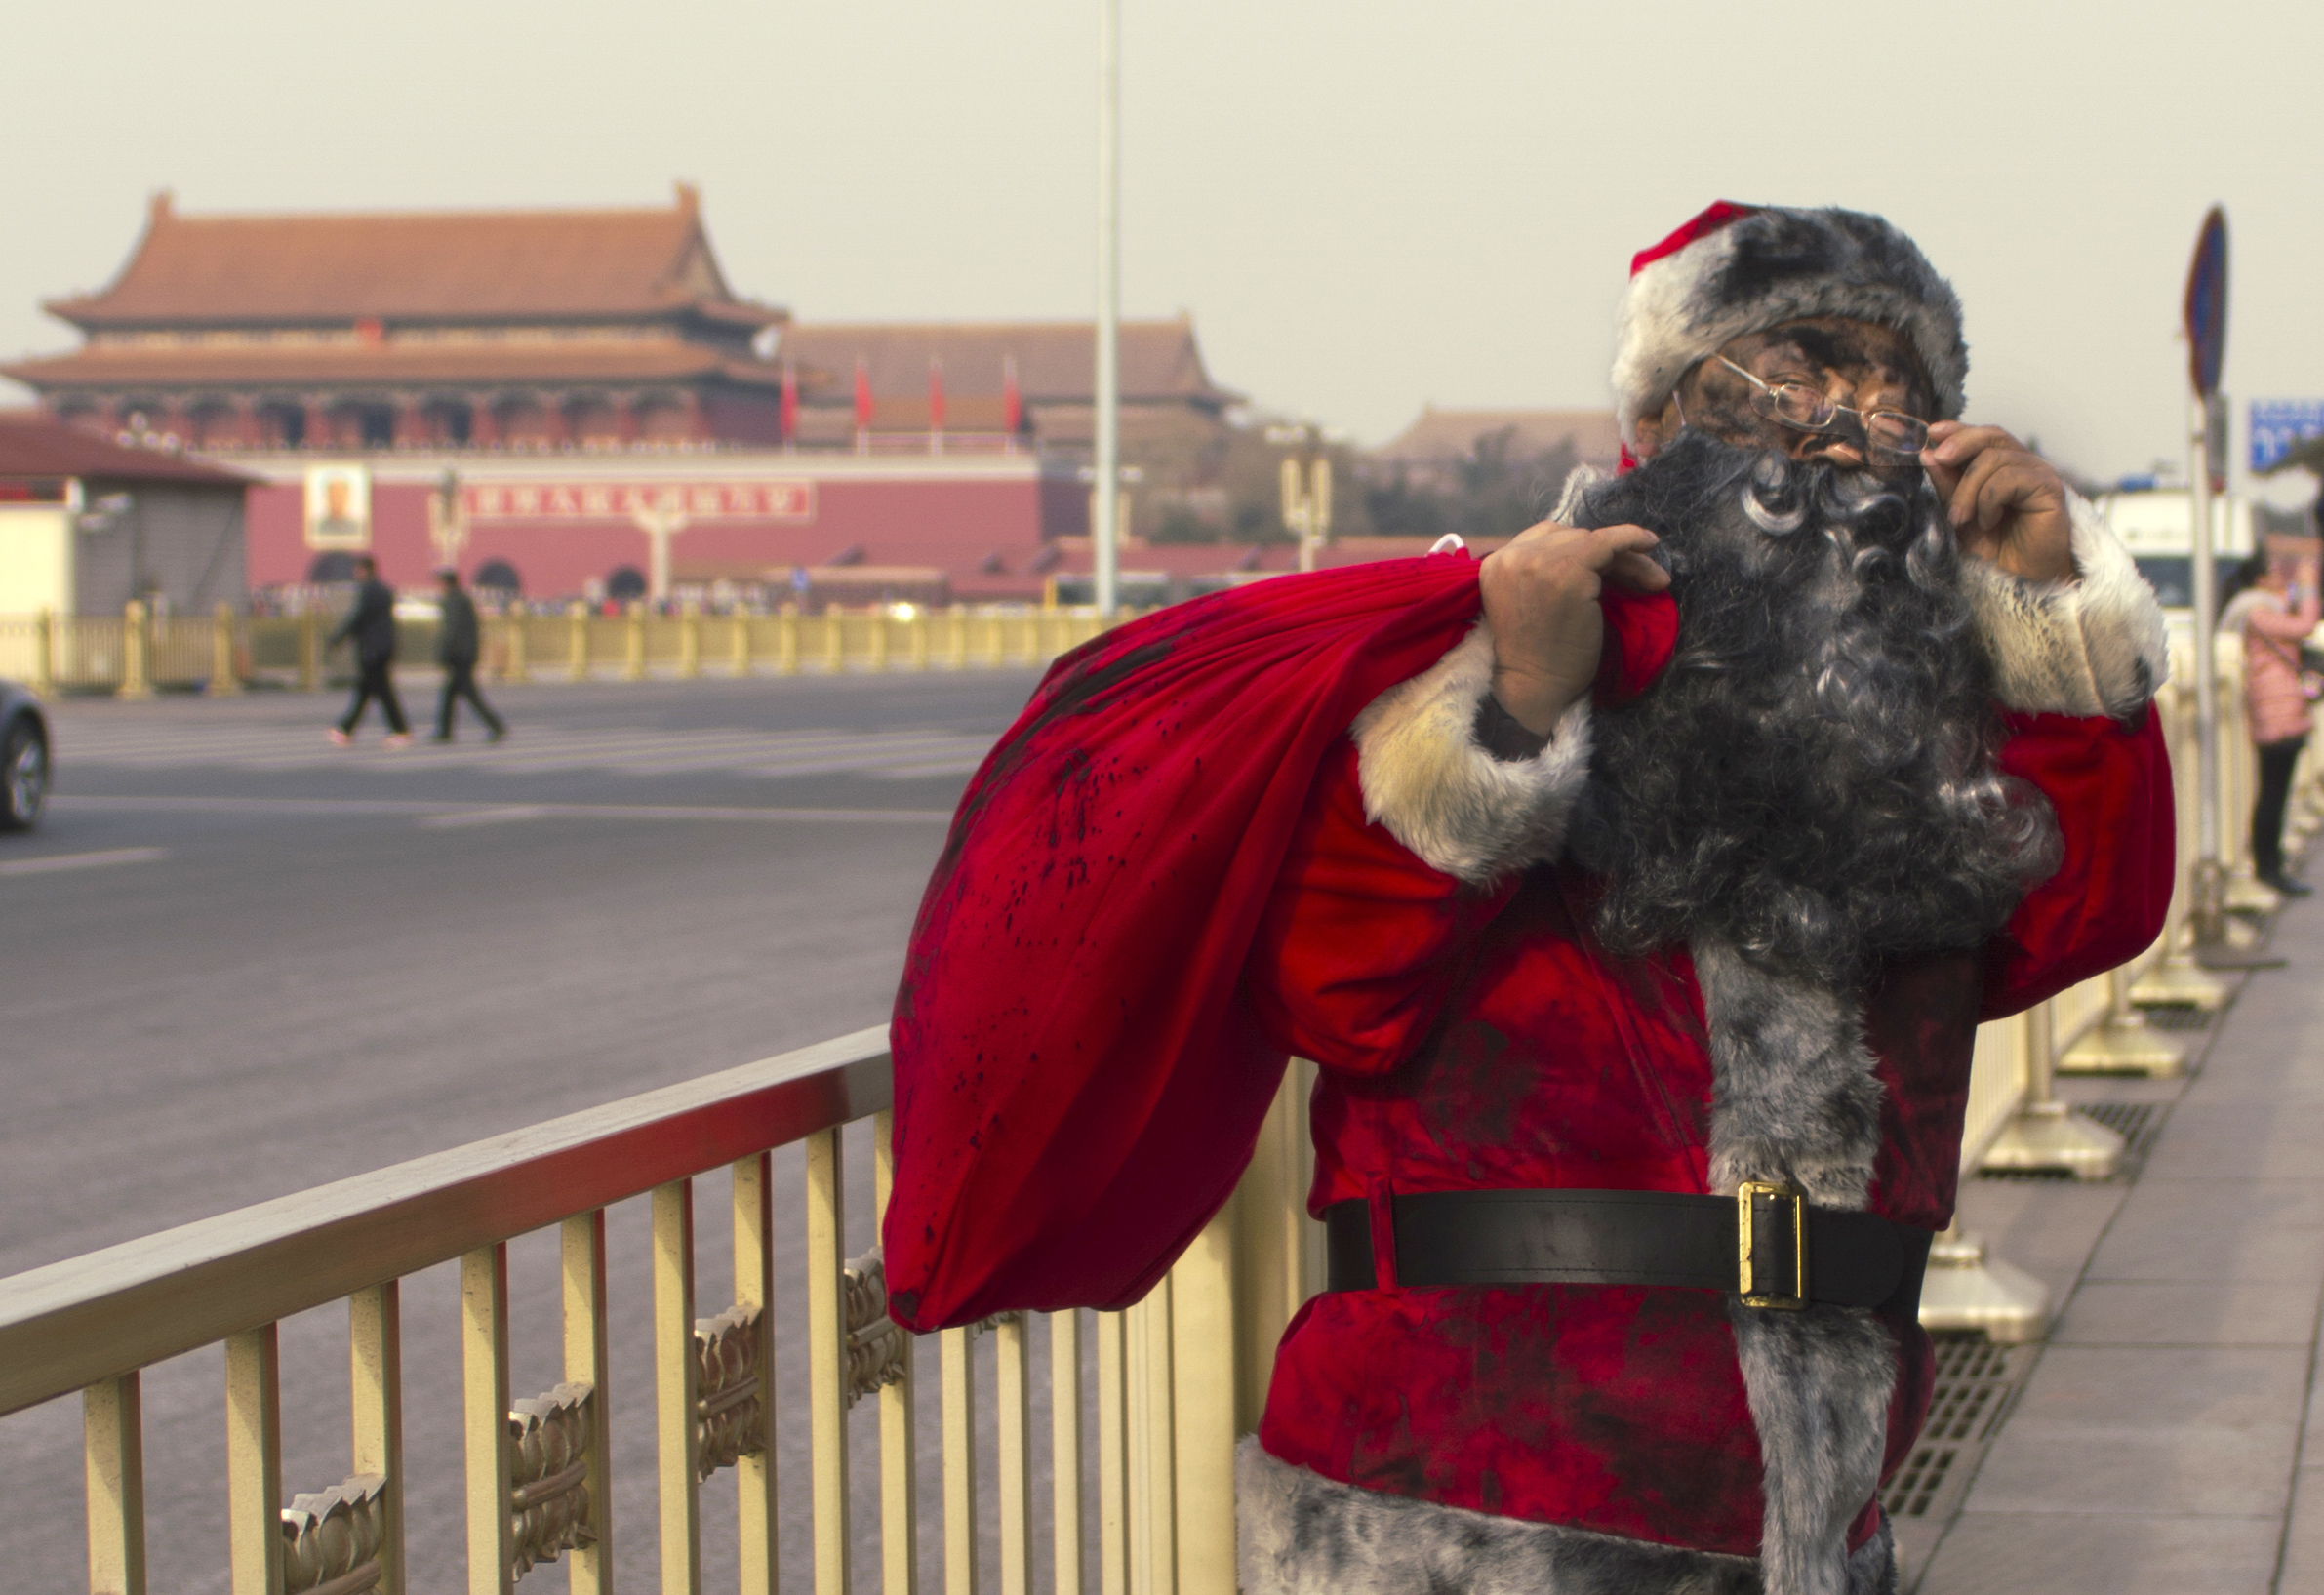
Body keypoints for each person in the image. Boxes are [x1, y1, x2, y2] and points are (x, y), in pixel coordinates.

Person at [881, 204, 2174, 1595]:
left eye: (1895, 383)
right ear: (1666, 418)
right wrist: (1515, 701)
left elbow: (2076, 917)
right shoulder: (1507, 632)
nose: (1847, 423)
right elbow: (1331, 984)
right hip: (1460, 1504)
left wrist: (2048, 617)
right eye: (1796, 370)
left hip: (1810, 1514)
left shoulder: (1918, 726)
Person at [2223, 540, 2321, 896]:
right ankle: (2268, 868)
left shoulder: (2261, 608)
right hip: (2275, 713)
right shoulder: (2257, 611)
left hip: (2278, 710)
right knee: (2273, 794)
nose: (2282, 577)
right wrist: (2309, 585)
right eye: (2277, 571)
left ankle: (2271, 865)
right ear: (2261, 578)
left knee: (2275, 791)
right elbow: (2305, 626)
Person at [325, 555, 408, 748]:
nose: (356, 574)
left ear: (364, 570)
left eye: (357, 570)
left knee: (379, 691)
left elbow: (358, 617)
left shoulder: (368, 590)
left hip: (372, 648)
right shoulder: (385, 590)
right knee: (369, 689)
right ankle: (345, 730)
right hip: (384, 646)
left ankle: (399, 731)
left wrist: (337, 638)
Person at [431, 568, 506, 743]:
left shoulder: (452, 601)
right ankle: (445, 731)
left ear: (446, 583)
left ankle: (496, 726)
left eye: (440, 582)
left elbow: (451, 631)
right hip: (466, 654)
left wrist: (443, 655)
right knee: (450, 693)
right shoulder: (464, 599)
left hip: (459, 656)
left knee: (470, 694)